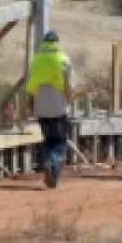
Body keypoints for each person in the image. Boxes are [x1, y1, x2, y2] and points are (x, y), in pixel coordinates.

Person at [26, 31, 74, 188]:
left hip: (41, 107)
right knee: (59, 141)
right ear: (57, 43)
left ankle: (52, 175)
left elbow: (31, 86)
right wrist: (70, 97)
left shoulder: (36, 60)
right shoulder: (63, 60)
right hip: (58, 107)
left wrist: (31, 104)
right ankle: (51, 163)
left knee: (48, 140)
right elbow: (69, 86)